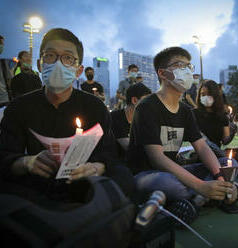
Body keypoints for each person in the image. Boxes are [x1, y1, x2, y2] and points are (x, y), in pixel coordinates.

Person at [0, 28, 134, 202]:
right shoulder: (19, 107)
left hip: (83, 182)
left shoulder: (95, 107)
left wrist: (95, 167)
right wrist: (27, 163)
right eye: (50, 55)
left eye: (68, 58)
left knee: (124, 177)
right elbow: (5, 156)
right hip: (36, 184)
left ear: (78, 70)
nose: (58, 63)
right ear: (40, 65)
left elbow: (108, 154)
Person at [128, 47, 238, 211]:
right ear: (162, 73)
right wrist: (201, 185)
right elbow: (157, 159)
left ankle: (201, 197)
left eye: (189, 66)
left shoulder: (185, 111)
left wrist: (219, 176)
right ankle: (211, 195)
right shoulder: (146, 107)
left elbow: (201, 146)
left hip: (175, 171)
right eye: (180, 65)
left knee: (229, 164)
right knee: (169, 185)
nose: (187, 71)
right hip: (148, 174)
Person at [111, 83, 151, 159]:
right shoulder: (115, 118)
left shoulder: (143, 121)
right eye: (147, 101)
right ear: (134, 100)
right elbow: (129, 147)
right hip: (115, 161)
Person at [193, 80, 230, 148]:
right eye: (203, 94)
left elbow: (225, 140)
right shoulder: (194, 114)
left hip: (216, 153)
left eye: (209, 94)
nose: (206, 97)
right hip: (198, 152)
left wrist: (230, 134)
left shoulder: (222, 115)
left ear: (215, 95)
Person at [0, 35, 13, 107]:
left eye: (2, 44)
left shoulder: (4, 64)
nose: (1, 46)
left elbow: (10, 82)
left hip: (4, 101)